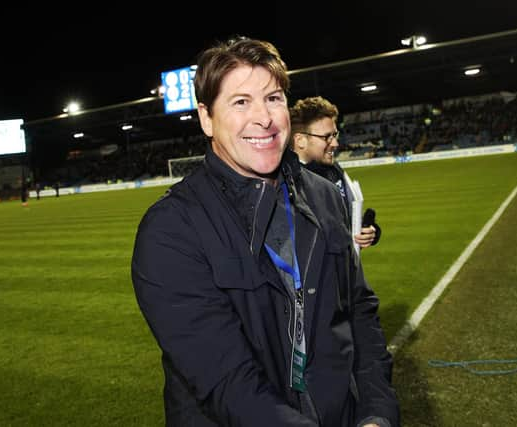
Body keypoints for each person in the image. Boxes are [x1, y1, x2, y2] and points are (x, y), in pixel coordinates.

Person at [131, 36, 399, 427]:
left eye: (273, 98)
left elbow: (360, 315)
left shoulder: (324, 196)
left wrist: (377, 414)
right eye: (241, 102)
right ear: (206, 118)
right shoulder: (170, 230)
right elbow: (227, 384)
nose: (265, 118)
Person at [289, 96, 381, 250]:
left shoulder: (333, 169)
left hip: (346, 270)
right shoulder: (288, 183)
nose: (335, 143)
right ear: (300, 140)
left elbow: (347, 216)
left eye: (335, 135)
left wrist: (368, 232)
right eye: (327, 137)